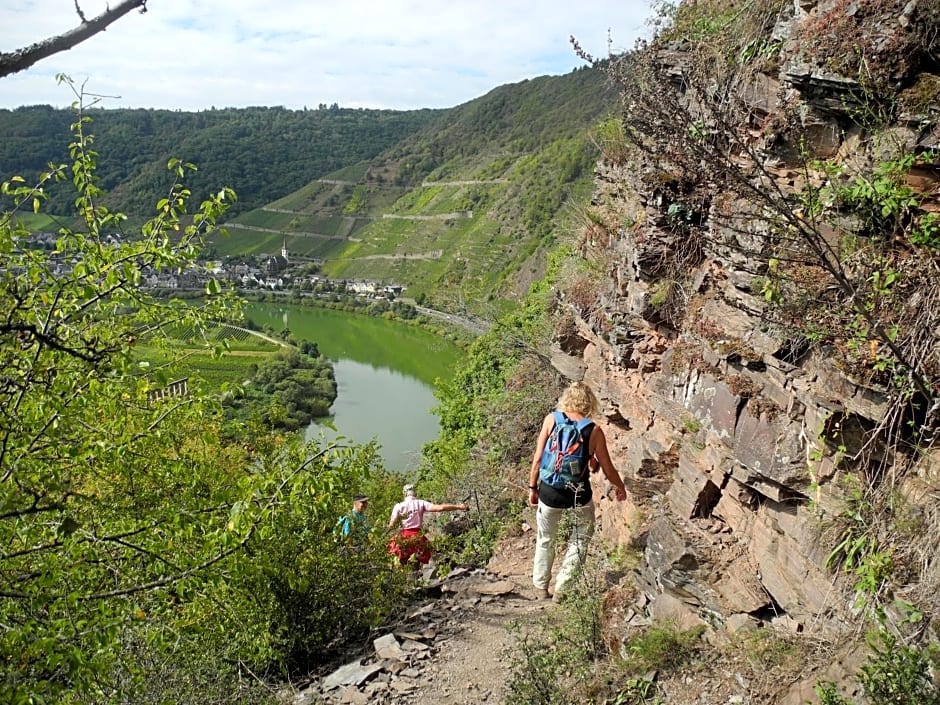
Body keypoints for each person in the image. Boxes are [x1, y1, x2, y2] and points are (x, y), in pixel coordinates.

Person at [527, 381, 628, 602]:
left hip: (549, 491)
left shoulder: (551, 419)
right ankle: (563, 588)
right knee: (581, 538)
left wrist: (533, 488)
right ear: (589, 403)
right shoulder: (594, 430)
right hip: (578, 494)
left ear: (566, 399)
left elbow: (537, 459)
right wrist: (619, 487)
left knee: (546, 538)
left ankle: (540, 587)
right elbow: (607, 467)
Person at [387, 484, 469, 566]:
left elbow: (391, 525)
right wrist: (459, 507)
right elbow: (440, 508)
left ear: (404, 494)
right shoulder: (420, 503)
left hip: (404, 537)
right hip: (418, 536)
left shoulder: (398, 506)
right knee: (421, 559)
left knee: (400, 557)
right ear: (415, 493)